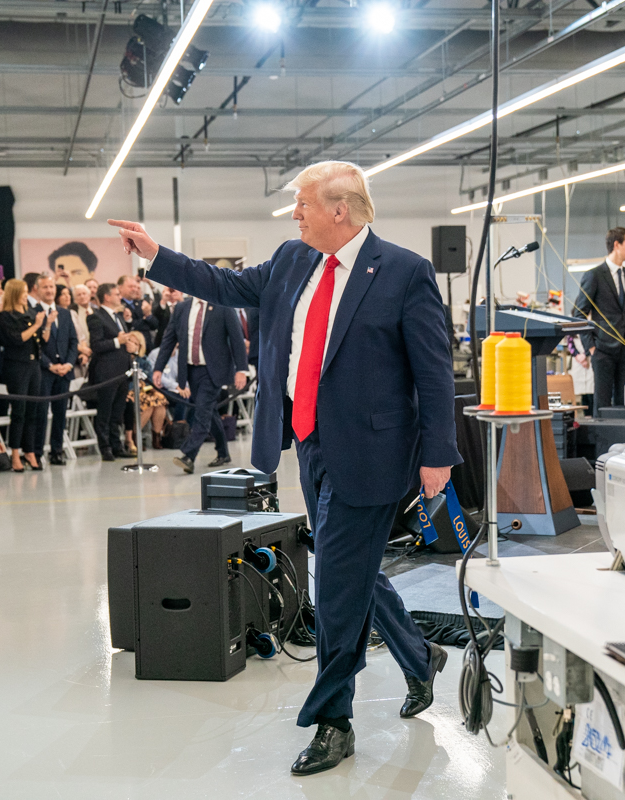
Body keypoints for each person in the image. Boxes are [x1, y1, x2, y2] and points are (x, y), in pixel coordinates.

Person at [109, 159, 459, 777]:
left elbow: (433, 373)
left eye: (301, 202)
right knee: (347, 569)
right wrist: (156, 253)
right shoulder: (293, 261)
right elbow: (222, 284)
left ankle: (333, 720)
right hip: (311, 445)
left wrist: (438, 455)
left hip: (374, 451)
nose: (293, 211)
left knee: (336, 584)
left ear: (339, 210)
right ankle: (417, 654)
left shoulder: (404, 272)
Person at [152, 294, 248, 473]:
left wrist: (241, 369)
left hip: (213, 370)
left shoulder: (222, 304)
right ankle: (223, 452)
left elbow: (237, 338)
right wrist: (158, 367)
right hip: (190, 369)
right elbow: (169, 339)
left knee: (202, 411)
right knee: (208, 410)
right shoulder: (182, 308)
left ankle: (189, 455)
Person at [571, 227, 625, 411]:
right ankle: (603, 441)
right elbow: (579, 314)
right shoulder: (594, 275)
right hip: (603, 350)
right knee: (603, 402)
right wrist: (590, 347)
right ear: (617, 245)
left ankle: (624, 440)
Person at [0, 279, 48, 472]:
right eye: (23, 291)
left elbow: (41, 339)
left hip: (34, 364)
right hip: (17, 366)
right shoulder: (6, 316)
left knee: (33, 409)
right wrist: (36, 325)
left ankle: (30, 450)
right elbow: (16, 339)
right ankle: (15, 452)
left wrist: (46, 325)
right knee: (19, 411)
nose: (26, 295)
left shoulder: (30, 312)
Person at [87, 283, 142, 461]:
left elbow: (123, 339)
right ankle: (105, 448)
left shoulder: (117, 317)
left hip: (122, 371)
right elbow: (96, 345)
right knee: (105, 411)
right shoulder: (96, 317)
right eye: (117, 294)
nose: (120, 297)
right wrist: (117, 342)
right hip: (106, 372)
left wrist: (129, 339)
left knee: (117, 412)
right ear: (107, 297)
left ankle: (117, 445)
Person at [34, 275, 78, 465]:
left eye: (52, 287)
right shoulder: (33, 312)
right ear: (37, 289)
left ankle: (57, 450)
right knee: (41, 413)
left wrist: (68, 363)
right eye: (45, 287)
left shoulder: (65, 313)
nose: (50, 291)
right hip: (44, 371)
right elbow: (35, 345)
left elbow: (73, 341)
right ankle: (37, 452)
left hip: (64, 371)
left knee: (60, 413)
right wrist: (49, 365)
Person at [70, 283, 94, 379]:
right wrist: (83, 351)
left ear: (89, 295)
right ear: (75, 299)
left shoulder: (97, 311)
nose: (82, 296)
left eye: (84, 293)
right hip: (80, 354)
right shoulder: (71, 312)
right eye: (78, 295)